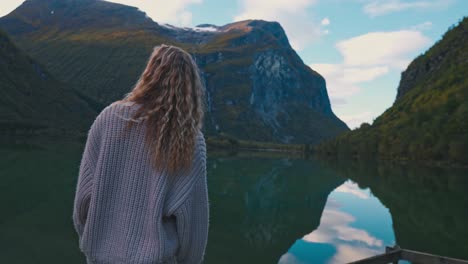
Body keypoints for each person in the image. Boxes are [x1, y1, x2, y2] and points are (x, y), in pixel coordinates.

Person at [72, 45, 209, 264]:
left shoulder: (109, 119)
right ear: (190, 87)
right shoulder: (190, 141)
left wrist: (94, 241)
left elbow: (83, 201)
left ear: (149, 74)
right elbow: (193, 222)